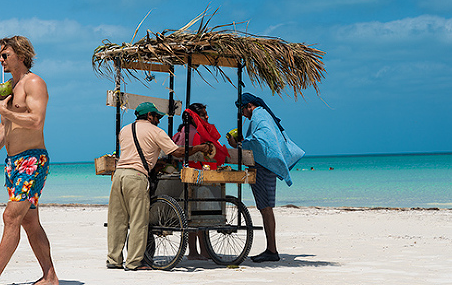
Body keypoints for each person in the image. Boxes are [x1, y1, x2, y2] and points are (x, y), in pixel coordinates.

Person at [0, 36, 58, 285]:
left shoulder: (34, 83)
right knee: (29, 221)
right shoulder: (9, 86)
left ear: (20, 55)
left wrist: (4, 111)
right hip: (14, 161)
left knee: (10, 216)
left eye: (4, 55)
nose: (0, 59)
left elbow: (36, 120)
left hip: (32, 160)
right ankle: (49, 276)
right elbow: (4, 126)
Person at [107, 102, 211, 271]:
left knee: (117, 220)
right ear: (149, 116)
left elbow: (135, 151)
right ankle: (134, 262)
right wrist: (199, 148)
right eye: (157, 117)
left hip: (119, 175)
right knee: (139, 220)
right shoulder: (155, 131)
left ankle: (114, 260)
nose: (158, 121)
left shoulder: (124, 130)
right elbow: (176, 152)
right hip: (137, 176)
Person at [227, 93, 304, 263]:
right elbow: (262, 139)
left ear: (249, 106)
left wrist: (239, 144)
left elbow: (262, 141)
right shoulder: (263, 114)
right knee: (266, 207)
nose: (242, 114)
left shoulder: (258, 116)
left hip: (263, 168)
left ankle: (272, 250)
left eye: (242, 110)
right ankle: (271, 249)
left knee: (265, 208)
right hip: (267, 166)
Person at [172, 103, 212, 260]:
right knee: (195, 216)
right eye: (203, 114)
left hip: (195, 175)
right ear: (195, 117)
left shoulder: (186, 131)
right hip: (193, 177)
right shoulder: (190, 132)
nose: (207, 117)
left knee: (197, 216)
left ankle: (201, 250)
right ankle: (195, 251)